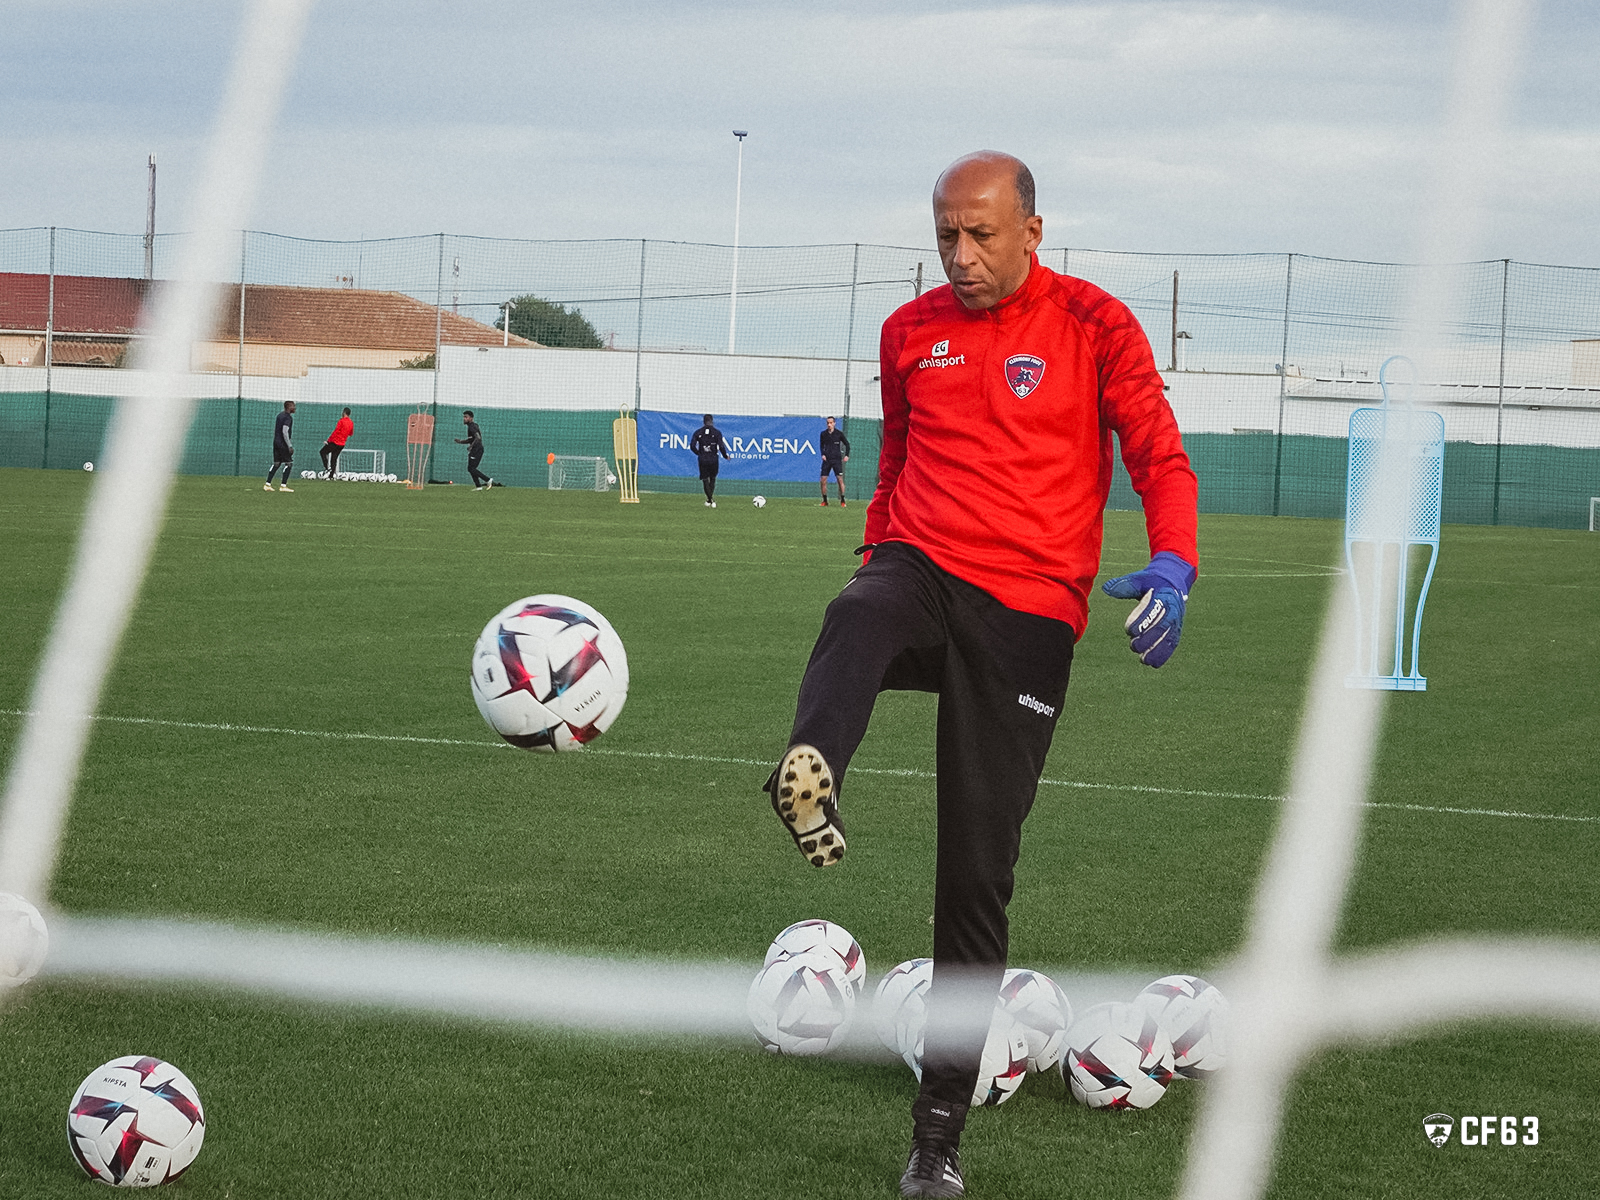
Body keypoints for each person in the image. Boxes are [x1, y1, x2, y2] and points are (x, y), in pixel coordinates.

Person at [762, 152, 1198, 1199]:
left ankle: (936, 1144)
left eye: (980, 235)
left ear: (1032, 232)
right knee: (859, 611)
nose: (959, 255)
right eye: (945, 234)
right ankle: (812, 765)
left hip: (1029, 617)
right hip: (920, 567)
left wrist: (1175, 562)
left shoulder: (1094, 325)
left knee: (974, 873)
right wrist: (875, 549)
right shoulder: (909, 332)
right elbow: (897, 463)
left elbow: (1157, 451)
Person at [690, 413, 731, 507]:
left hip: (703, 459)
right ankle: (710, 500)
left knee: (705, 479)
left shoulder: (698, 432)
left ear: (704, 422)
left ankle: (709, 500)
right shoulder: (717, 432)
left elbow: (692, 446)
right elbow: (721, 446)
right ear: (712, 421)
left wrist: (699, 453)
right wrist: (725, 456)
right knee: (712, 479)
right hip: (713, 459)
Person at [454, 410, 497, 489]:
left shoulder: (472, 426)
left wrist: (471, 446)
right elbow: (471, 439)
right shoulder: (472, 426)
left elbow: (478, 438)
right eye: (464, 417)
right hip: (476, 449)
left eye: (466, 417)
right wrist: (460, 441)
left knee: (471, 468)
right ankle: (478, 487)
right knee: (471, 468)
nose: (464, 419)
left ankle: (488, 480)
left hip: (477, 449)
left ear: (471, 418)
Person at [819, 415, 850, 506]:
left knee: (839, 479)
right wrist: (823, 454)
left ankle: (843, 500)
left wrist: (847, 455)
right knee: (823, 479)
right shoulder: (823, 434)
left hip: (837, 460)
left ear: (834, 423)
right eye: (828, 423)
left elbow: (847, 444)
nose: (829, 425)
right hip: (827, 460)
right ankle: (825, 500)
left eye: (831, 423)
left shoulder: (839, 434)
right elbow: (821, 446)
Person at [264, 400, 296, 492]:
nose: (295, 408)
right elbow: (284, 431)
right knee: (289, 464)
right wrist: (289, 445)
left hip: (276, 442)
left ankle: (267, 484)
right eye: (293, 406)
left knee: (276, 463)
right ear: (289, 407)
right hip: (283, 444)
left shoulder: (279, 415)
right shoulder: (288, 417)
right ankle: (283, 486)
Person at [320, 407, 354, 478]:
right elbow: (351, 433)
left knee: (322, 452)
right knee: (334, 459)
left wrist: (328, 441)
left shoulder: (341, 421)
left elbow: (336, 431)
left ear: (344, 413)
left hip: (335, 442)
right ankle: (331, 475)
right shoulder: (351, 423)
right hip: (342, 444)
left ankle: (327, 468)